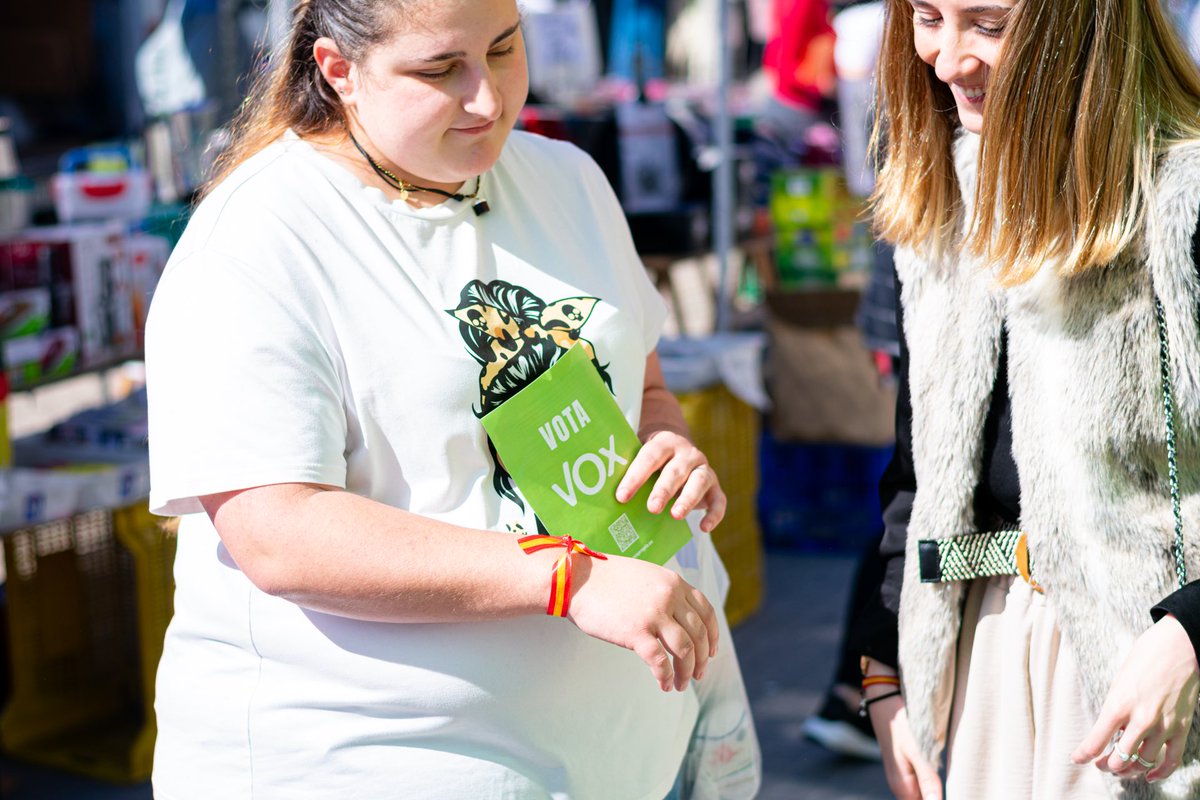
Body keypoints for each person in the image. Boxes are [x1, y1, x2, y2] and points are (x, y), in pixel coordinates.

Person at [143, 1, 760, 797]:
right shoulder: (258, 237)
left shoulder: (567, 178)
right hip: (373, 764)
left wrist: (666, 446)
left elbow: (642, 386)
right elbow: (280, 531)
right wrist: (566, 579)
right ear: (339, 71)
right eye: (440, 71)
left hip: (622, 757)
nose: (489, 98)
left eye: (504, 50)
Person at [853, 0, 1200, 797]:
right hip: (984, 661)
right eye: (927, 16)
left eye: (989, 24)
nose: (946, 59)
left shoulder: (1182, 196)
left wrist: (1190, 632)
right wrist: (881, 664)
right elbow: (921, 465)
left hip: (1152, 676)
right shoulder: (941, 189)